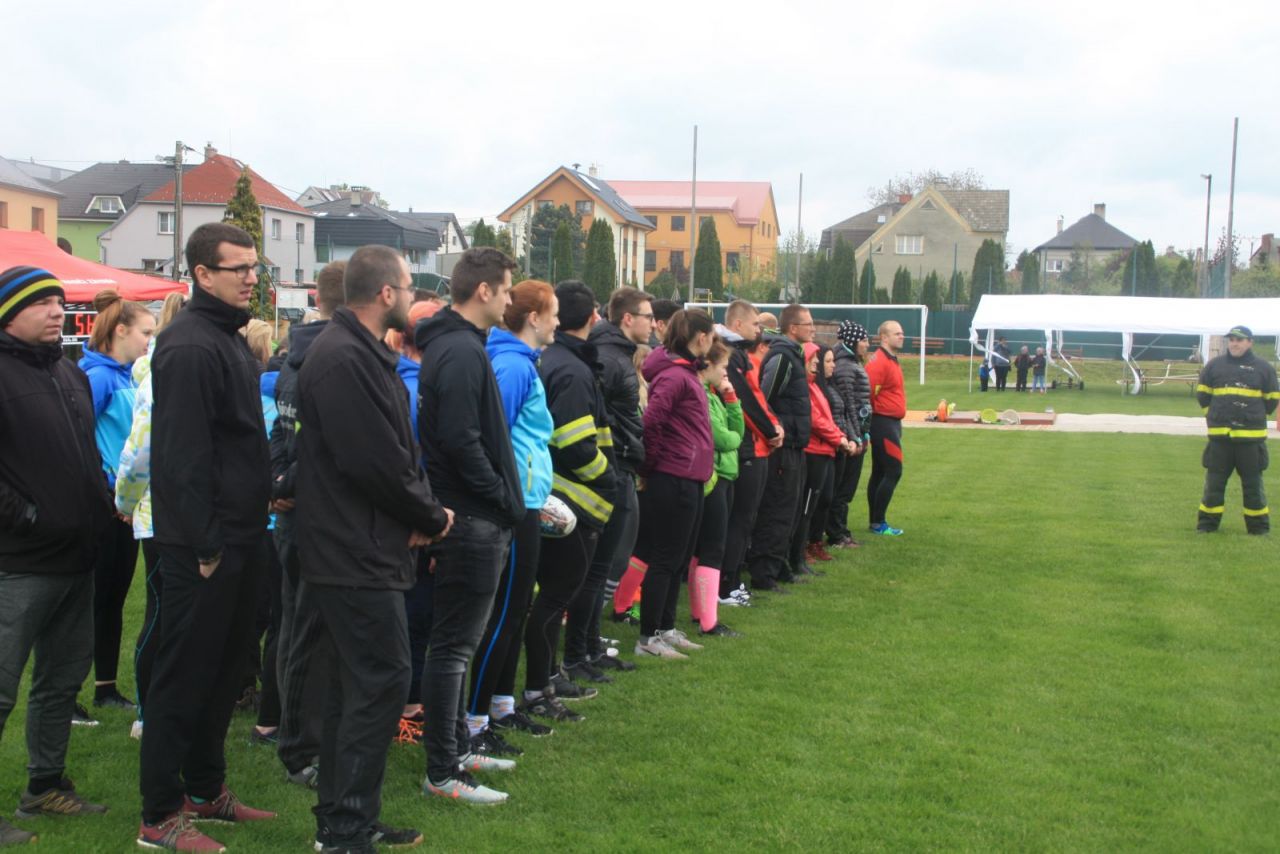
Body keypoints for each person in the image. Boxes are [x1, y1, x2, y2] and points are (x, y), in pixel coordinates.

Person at [296, 244, 453, 852]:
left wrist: (418, 513)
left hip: (366, 543)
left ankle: (347, 819)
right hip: (352, 551)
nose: (412, 297)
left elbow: (395, 453)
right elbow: (374, 462)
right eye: (409, 287)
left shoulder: (362, 352)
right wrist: (428, 515)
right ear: (386, 293)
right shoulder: (343, 358)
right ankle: (344, 829)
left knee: (358, 686)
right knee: (381, 681)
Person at [139, 222, 275, 852]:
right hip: (203, 546)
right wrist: (203, 545)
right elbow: (181, 456)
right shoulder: (190, 344)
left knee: (225, 673)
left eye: (254, 266)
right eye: (238, 268)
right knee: (184, 676)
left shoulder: (228, 338)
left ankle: (205, 789)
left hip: (244, 534)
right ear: (202, 274)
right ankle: (160, 815)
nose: (251, 277)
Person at [0, 267, 112, 846]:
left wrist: (101, 503)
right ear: (7, 313)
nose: (56, 312)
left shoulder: (69, 373)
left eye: (59, 302)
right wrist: (29, 517)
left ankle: (44, 785)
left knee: (61, 681)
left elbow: (85, 454)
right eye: (41, 303)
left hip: (77, 556)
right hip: (18, 562)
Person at [417, 247, 523, 805]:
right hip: (472, 519)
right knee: (453, 647)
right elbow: (460, 441)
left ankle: (457, 749)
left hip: (478, 515)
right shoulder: (458, 350)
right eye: (506, 289)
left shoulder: (463, 345)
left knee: (460, 644)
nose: (510, 299)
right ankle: (442, 771)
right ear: (484, 290)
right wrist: (500, 496)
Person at [467, 281, 559, 749]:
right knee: (502, 615)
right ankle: (474, 722)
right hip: (513, 502)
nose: (558, 322)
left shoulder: (523, 361)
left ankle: (501, 705)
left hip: (526, 499)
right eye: (553, 313)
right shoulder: (511, 364)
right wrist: (507, 492)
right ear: (534, 318)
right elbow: (492, 433)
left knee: (515, 609)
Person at [523, 281, 618, 715]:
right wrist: (608, 479)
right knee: (555, 597)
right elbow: (576, 445)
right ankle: (541, 683)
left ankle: (548, 676)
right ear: (593, 316)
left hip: (558, 497)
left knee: (551, 597)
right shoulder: (572, 370)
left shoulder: (558, 360)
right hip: (571, 501)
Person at [271, 260, 345, 788]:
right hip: (314, 518)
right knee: (307, 634)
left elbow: (281, 432)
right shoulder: (327, 360)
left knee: (300, 628)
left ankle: (300, 734)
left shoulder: (296, 355)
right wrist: (286, 482)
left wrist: (278, 478)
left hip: (300, 512)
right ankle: (300, 749)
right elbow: (320, 443)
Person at [78, 289, 155, 714]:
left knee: (112, 600)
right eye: (146, 332)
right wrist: (106, 487)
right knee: (93, 601)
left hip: (123, 506)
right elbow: (76, 437)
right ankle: (68, 695)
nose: (149, 341)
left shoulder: (125, 376)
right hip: (106, 507)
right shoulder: (99, 378)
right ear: (120, 331)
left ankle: (104, 687)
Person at [116, 291, 186, 739]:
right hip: (161, 515)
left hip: (193, 512)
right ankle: (148, 711)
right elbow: (139, 451)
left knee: (180, 617)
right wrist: (125, 502)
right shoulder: (156, 376)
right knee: (161, 613)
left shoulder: (185, 364)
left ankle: (178, 707)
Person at [633, 309, 715, 658]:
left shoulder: (686, 372)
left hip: (689, 476)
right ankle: (648, 638)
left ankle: (665, 628)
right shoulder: (674, 375)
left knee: (678, 559)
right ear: (701, 337)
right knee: (665, 558)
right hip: (673, 476)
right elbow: (652, 422)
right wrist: (651, 465)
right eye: (711, 336)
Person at [384, 297, 444, 743]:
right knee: (416, 614)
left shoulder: (397, 379)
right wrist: (430, 519)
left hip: (407, 516)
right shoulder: (414, 387)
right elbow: (419, 463)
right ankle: (409, 706)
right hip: (417, 521)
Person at [583, 287, 651, 664]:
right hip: (613, 466)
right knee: (604, 562)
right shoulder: (609, 358)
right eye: (647, 316)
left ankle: (589, 635)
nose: (652, 324)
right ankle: (585, 639)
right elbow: (599, 416)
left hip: (625, 463)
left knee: (616, 558)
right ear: (627, 318)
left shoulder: (620, 354)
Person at [714, 300, 781, 607]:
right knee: (739, 520)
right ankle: (726, 585)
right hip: (745, 448)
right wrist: (770, 430)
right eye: (755, 324)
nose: (759, 330)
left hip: (752, 444)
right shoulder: (730, 353)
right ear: (738, 324)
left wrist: (773, 426)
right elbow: (744, 401)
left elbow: (756, 398)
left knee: (743, 519)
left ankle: (730, 581)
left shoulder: (738, 353)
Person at [746, 304, 814, 591]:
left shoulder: (793, 354)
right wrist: (774, 429)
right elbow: (764, 398)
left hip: (796, 444)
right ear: (793, 328)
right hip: (783, 447)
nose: (813, 328)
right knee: (777, 509)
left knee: (791, 509)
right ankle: (764, 573)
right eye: (808, 324)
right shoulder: (783, 357)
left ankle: (780, 566)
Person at [1195, 325, 1278, 535]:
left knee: (1253, 487)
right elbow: (1203, 394)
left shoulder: (1264, 368)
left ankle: (1258, 529)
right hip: (1220, 439)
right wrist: (1213, 416)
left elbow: (1272, 399)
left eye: (1239, 340)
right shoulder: (1214, 366)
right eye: (1231, 340)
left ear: (1250, 342)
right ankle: (1206, 526)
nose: (1234, 343)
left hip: (1250, 441)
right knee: (1214, 485)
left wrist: (1251, 416)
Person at [688, 337, 744, 637]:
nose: (726, 373)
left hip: (724, 475)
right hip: (714, 477)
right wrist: (733, 440)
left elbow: (737, 430)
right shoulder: (702, 396)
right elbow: (724, 439)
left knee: (706, 548)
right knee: (711, 548)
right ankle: (708, 622)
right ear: (707, 364)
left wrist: (731, 397)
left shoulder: (714, 395)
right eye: (723, 366)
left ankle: (701, 613)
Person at [799, 345, 854, 568]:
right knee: (809, 502)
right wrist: (839, 438)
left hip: (827, 448)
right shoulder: (808, 387)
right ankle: (802, 546)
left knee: (825, 499)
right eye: (827, 361)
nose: (832, 365)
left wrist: (842, 437)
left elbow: (829, 418)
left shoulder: (817, 386)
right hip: (815, 450)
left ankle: (814, 542)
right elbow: (816, 420)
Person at [826, 321, 870, 549]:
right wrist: (857, 436)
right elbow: (849, 404)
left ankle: (841, 531)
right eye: (864, 340)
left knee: (846, 489)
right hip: (850, 435)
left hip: (857, 432)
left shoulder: (850, 362)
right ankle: (837, 534)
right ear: (853, 341)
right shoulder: (844, 366)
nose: (867, 344)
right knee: (843, 489)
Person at [865, 320, 907, 537]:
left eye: (902, 333)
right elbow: (868, 392)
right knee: (893, 470)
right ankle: (879, 522)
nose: (901, 336)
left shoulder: (890, 359)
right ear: (883, 337)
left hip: (890, 422)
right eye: (896, 333)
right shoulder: (879, 362)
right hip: (883, 423)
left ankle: (875, 522)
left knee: (880, 471)